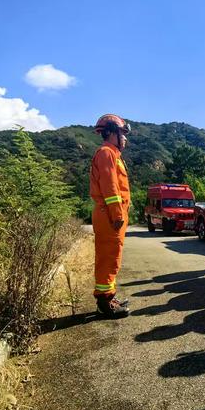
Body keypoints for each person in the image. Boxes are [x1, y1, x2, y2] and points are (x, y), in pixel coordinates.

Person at [90, 114, 131, 318]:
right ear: (112, 132)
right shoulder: (107, 153)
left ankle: (108, 296)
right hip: (109, 215)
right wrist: (117, 214)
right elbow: (111, 188)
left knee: (112, 257)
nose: (125, 138)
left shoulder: (113, 154)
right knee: (108, 258)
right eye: (122, 133)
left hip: (111, 214)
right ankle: (104, 304)